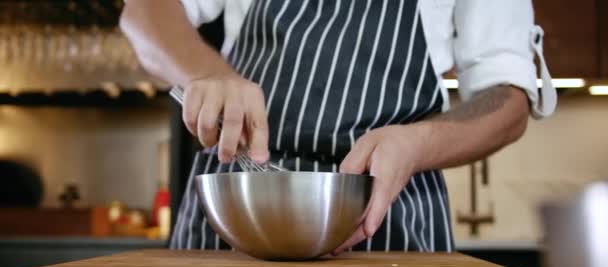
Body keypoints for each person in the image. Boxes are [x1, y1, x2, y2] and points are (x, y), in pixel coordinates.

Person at [120, 0, 556, 253]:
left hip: (389, 224)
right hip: (236, 214)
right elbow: (145, 11)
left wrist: (416, 143)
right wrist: (206, 72)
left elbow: (508, 99)